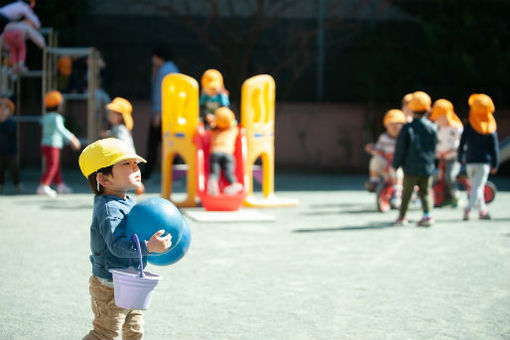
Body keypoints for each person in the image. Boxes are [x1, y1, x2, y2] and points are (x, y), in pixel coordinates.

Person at [78, 138, 172, 340]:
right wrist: (148, 246)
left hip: (130, 280)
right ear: (104, 179)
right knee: (105, 333)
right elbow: (117, 246)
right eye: (126, 164)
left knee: (134, 331)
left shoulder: (126, 201)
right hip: (109, 285)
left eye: (135, 163)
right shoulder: (109, 208)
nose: (135, 167)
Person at [392, 91, 437, 226]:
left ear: (411, 109)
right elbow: (433, 148)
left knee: (407, 193)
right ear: (428, 109)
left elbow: (401, 149)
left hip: (410, 167)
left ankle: (402, 217)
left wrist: (395, 164)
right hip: (427, 167)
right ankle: (427, 215)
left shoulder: (407, 128)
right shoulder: (432, 128)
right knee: (425, 192)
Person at [458, 93, 499, 220]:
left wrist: (461, 157)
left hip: (470, 161)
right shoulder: (489, 127)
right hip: (484, 163)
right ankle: (469, 209)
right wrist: (495, 163)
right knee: (478, 186)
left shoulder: (469, 126)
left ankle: (482, 210)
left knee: (476, 186)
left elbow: (462, 143)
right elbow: (494, 148)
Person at [142, 46, 179, 180]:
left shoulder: (165, 71)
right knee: (172, 144)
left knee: (153, 144)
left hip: (162, 114)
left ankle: (146, 175)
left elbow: (161, 93)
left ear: (158, 57)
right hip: (171, 114)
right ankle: (174, 175)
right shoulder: (172, 69)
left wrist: (158, 112)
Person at [37, 90, 81, 197]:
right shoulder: (57, 117)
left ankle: (60, 185)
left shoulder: (46, 117)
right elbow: (61, 130)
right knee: (53, 165)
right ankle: (44, 185)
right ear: (58, 105)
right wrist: (72, 139)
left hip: (45, 145)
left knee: (54, 165)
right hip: (53, 145)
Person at [102, 97, 145, 194]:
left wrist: (108, 135)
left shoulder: (120, 128)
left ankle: (136, 186)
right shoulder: (118, 128)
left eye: (113, 113)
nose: (109, 115)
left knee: (123, 174)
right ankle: (136, 186)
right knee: (128, 174)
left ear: (120, 116)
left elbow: (122, 140)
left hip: (124, 157)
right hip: (126, 157)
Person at [364, 109, 407, 206]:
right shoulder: (383, 137)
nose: (395, 128)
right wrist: (372, 148)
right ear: (386, 125)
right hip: (386, 164)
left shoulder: (404, 138)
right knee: (375, 160)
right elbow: (378, 150)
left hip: (399, 166)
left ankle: (397, 193)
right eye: (391, 125)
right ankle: (374, 181)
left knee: (396, 169)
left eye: (398, 125)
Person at [430, 98, 463, 207]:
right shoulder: (437, 128)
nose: (438, 120)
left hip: (453, 157)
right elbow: (435, 142)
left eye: (440, 117)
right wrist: (436, 151)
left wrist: (454, 150)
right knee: (438, 177)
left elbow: (461, 143)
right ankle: (443, 196)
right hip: (441, 157)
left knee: (449, 176)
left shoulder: (456, 127)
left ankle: (455, 194)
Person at [207, 107, 243, 195]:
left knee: (214, 172)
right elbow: (234, 123)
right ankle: (234, 184)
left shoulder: (213, 129)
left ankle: (213, 185)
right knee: (229, 171)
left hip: (215, 153)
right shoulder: (233, 129)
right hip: (228, 154)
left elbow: (209, 118)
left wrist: (214, 118)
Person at [0, 96, 22, 193]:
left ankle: (17, 184)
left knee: (14, 168)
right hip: (0, 151)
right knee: (1, 170)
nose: (3, 111)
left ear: (10, 111)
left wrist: (3, 121)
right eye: (1, 109)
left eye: (6, 109)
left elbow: (10, 132)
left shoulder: (11, 123)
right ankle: (1, 185)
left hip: (10, 151)